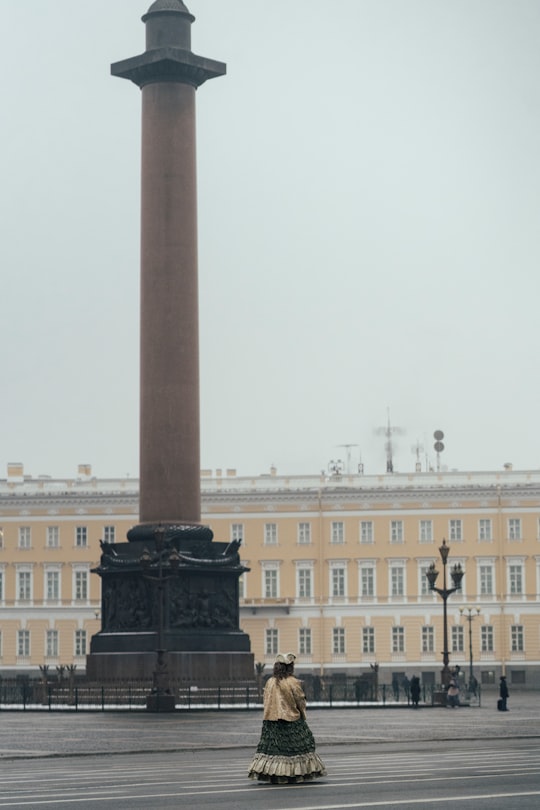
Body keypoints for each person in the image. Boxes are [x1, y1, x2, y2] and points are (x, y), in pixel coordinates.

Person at [248, 652, 327, 784]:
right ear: (290, 667)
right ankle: (295, 774)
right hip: (291, 719)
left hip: (271, 721)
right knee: (295, 749)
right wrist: (302, 713)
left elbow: (266, 700)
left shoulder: (270, 682)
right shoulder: (292, 682)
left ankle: (275, 774)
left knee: (274, 750)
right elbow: (300, 700)